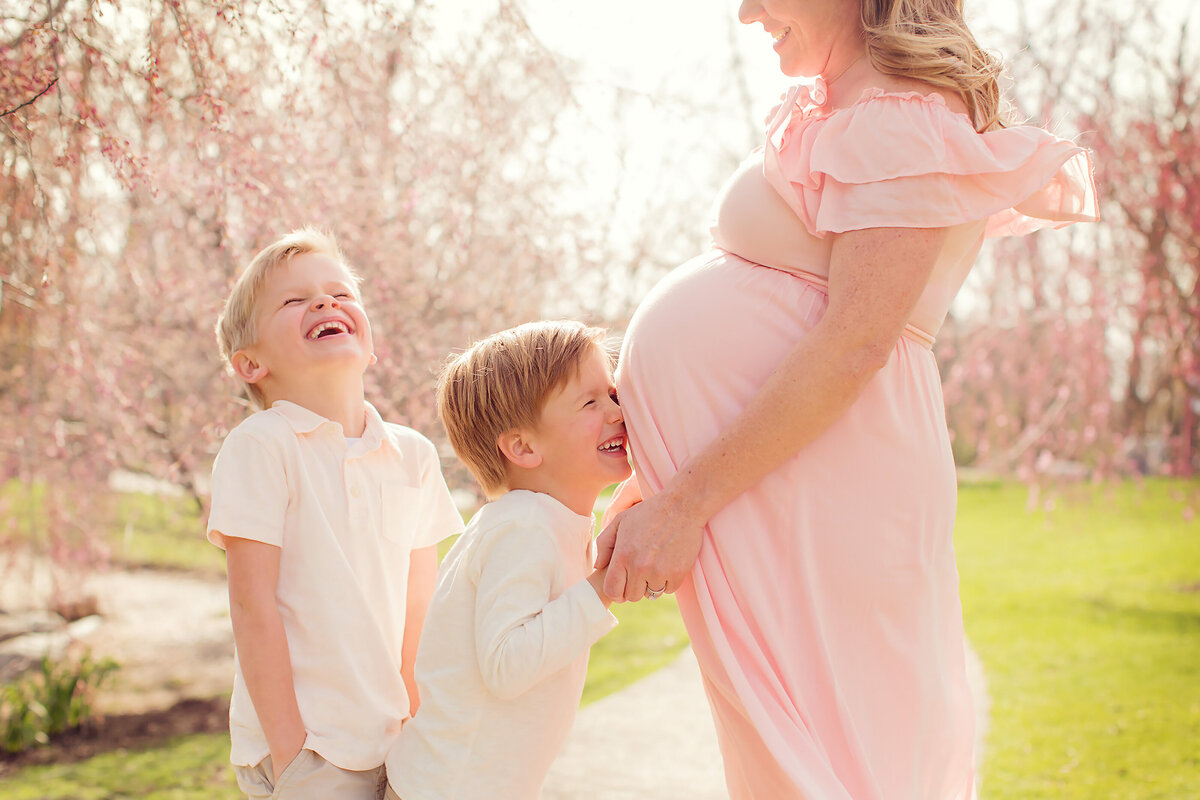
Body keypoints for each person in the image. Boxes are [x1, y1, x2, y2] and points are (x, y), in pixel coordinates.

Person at [595, 1, 1098, 798]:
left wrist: (684, 501)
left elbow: (858, 342)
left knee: (831, 750)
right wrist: (662, 474)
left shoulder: (900, 109)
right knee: (788, 747)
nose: (746, 12)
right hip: (783, 485)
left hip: (828, 485)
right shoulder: (857, 103)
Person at [207, 229, 465, 800]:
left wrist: (416, 729)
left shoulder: (414, 455)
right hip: (311, 748)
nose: (326, 303)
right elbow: (254, 609)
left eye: (341, 293)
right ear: (251, 364)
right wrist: (291, 750)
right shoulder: (263, 445)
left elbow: (419, 609)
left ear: (371, 345)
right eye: (294, 301)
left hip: (394, 738)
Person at [384, 320, 626, 800]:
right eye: (590, 403)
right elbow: (508, 664)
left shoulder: (541, 521)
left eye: (613, 394)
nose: (618, 412)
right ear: (523, 447)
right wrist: (602, 588)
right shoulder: (525, 526)